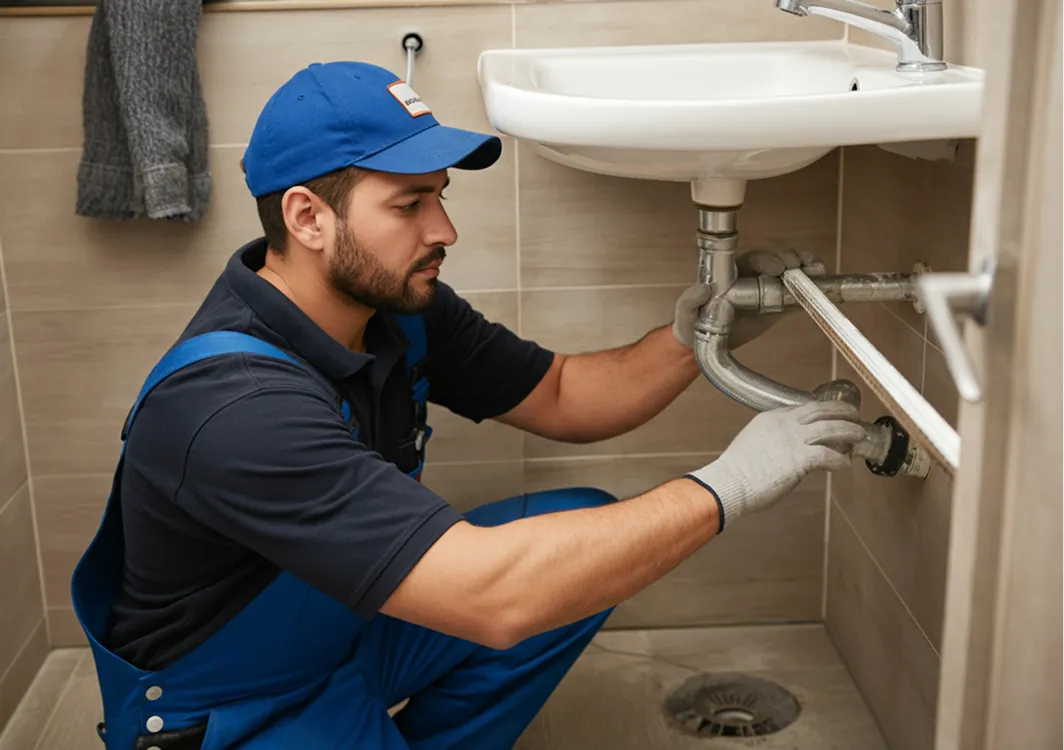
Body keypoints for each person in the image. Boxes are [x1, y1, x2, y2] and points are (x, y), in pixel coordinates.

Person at [71, 61, 866, 750]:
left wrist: (699, 336)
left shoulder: (396, 311)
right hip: (230, 704)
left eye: (440, 198)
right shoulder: (234, 409)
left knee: (580, 539)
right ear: (308, 218)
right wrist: (728, 485)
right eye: (409, 204)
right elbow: (495, 595)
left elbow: (562, 394)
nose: (444, 228)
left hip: (346, 631)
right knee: (525, 583)